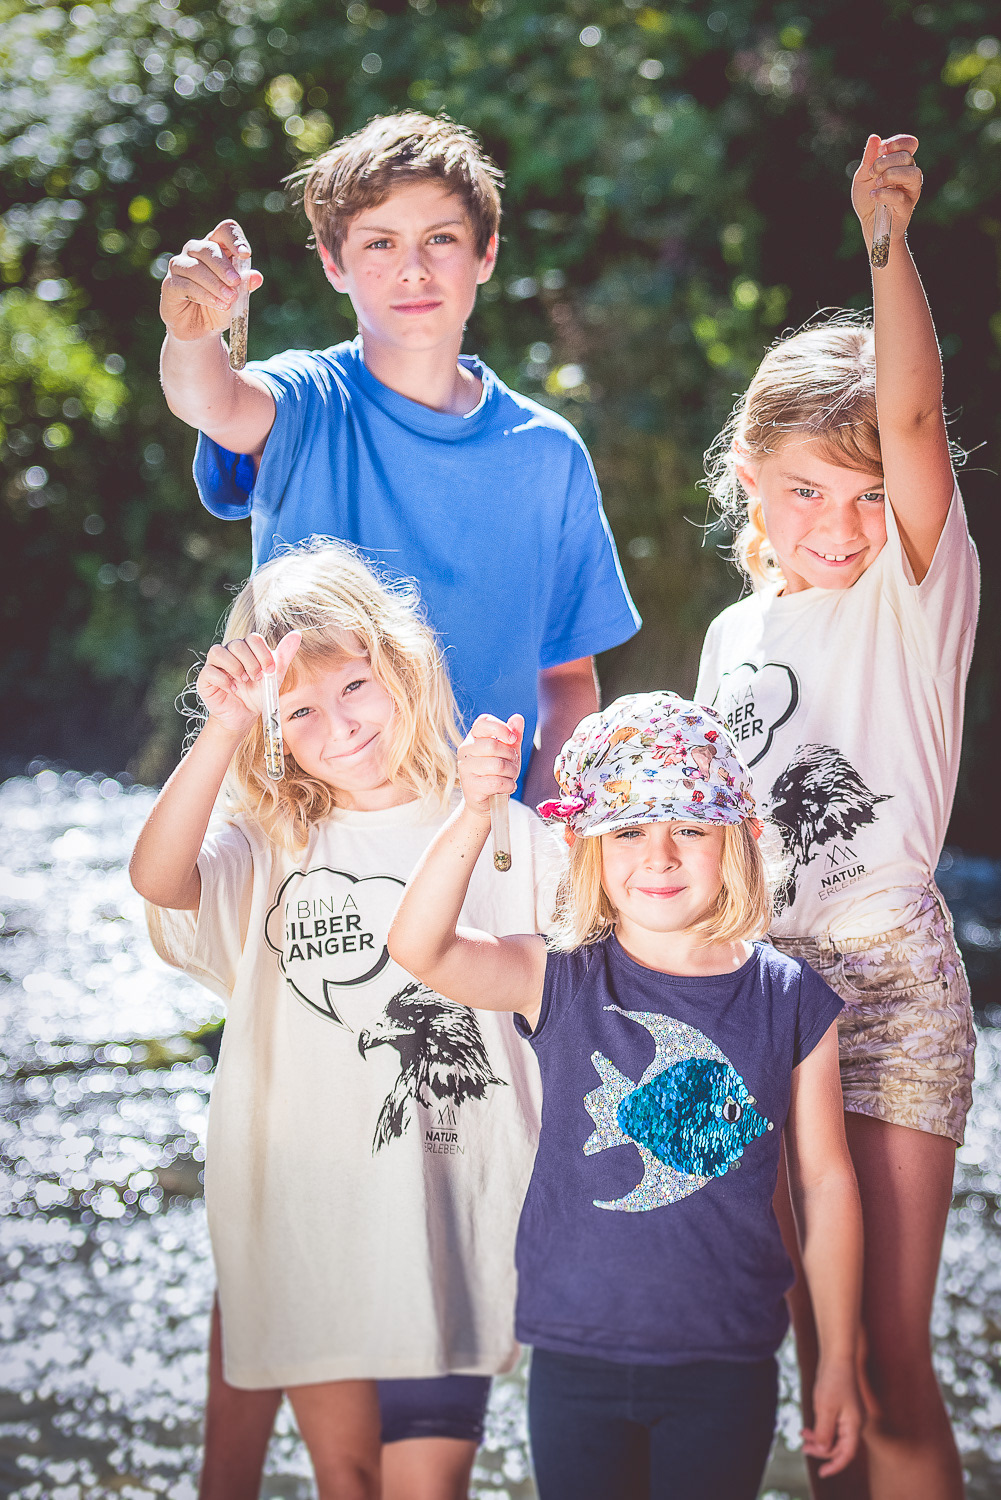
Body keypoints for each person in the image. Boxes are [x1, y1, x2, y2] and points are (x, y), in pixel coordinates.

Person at [130, 541, 564, 1500]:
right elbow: (158, 880)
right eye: (298, 711)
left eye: (355, 686)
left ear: (399, 665)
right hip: (309, 1214)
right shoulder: (269, 844)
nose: (339, 725)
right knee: (348, 1475)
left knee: (426, 1482)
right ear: (270, 729)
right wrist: (222, 727)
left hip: (453, 1208)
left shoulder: (496, 828)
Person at [695, 134, 980, 1500]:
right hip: (764, 1006)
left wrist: (885, 242)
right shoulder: (729, 637)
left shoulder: (914, 593)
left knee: (889, 1356)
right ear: (748, 475)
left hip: (890, 990)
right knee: (817, 1362)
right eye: (807, 488)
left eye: (866, 496)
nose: (841, 524)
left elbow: (913, 420)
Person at [388, 691, 864, 1500]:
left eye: (689, 828)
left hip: (728, 1363)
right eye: (629, 831)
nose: (659, 856)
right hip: (574, 1355)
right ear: (589, 850)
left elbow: (824, 1184)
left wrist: (839, 1362)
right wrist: (475, 811)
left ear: (736, 840)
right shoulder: (557, 975)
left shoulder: (790, 997)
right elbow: (419, 947)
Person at [157, 110, 640, 806]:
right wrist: (191, 335)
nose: (413, 269)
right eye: (380, 243)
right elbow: (210, 400)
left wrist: (539, 827)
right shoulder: (308, 400)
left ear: (486, 254)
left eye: (440, 238)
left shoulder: (548, 454)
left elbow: (566, 680)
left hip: (486, 834)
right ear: (334, 264)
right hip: (317, 830)